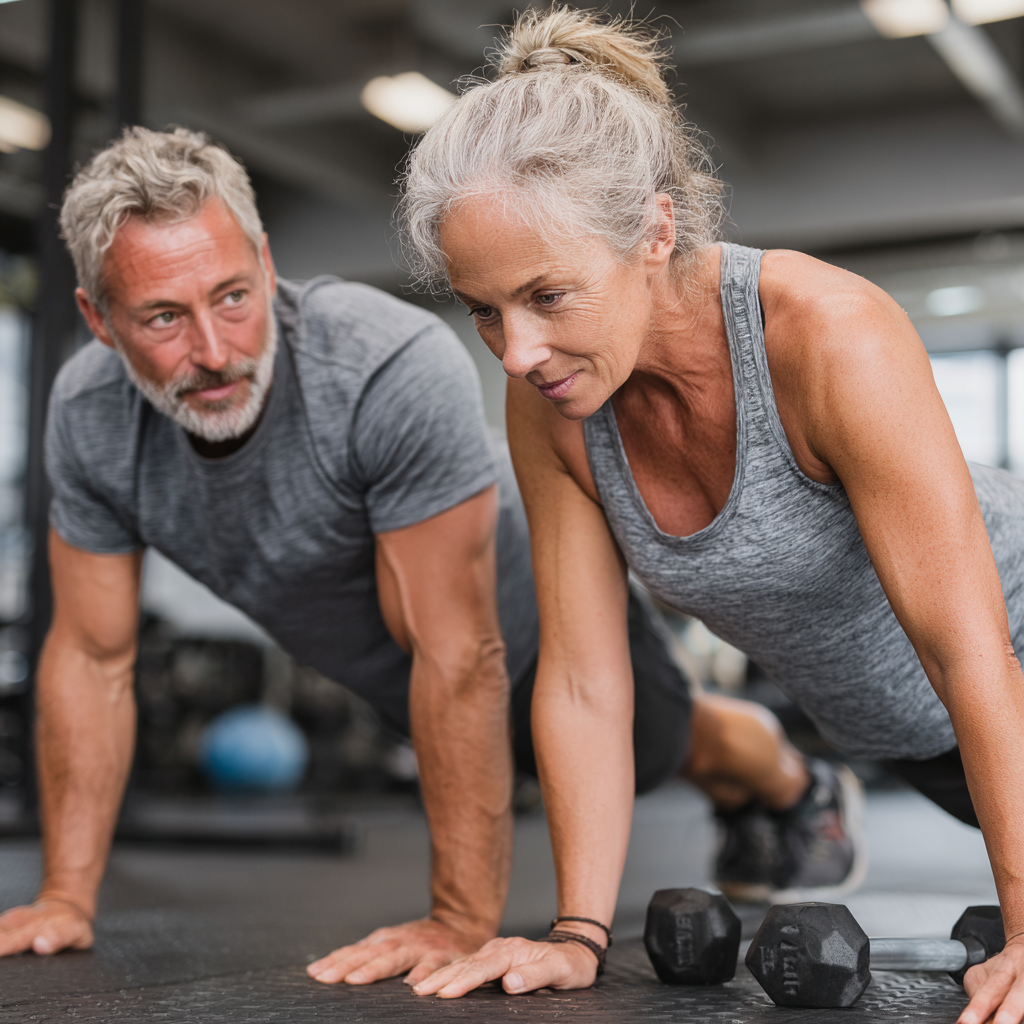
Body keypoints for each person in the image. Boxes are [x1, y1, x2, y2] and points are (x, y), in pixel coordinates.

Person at [0, 127, 846, 983]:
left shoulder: (379, 366)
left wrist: (458, 919)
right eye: (163, 318)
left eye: (231, 297)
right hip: (404, 685)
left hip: (528, 629)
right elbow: (91, 656)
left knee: (676, 748)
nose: (215, 352)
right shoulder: (90, 418)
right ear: (98, 321)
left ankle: (791, 787)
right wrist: (65, 896)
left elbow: (460, 654)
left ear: (264, 260)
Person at [396, 7, 1024, 1024]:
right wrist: (577, 937)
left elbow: (968, 648)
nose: (513, 351)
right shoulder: (554, 402)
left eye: (548, 294)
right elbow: (588, 680)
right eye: (483, 308)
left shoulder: (825, 337)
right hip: (921, 741)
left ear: (654, 230)